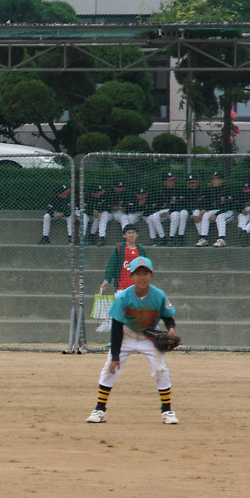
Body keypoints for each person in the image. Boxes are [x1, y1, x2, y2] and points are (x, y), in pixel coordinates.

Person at [87, 255, 179, 425]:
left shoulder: (159, 295)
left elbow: (168, 317)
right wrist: (115, 356)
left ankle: (167, 411)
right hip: (126, 335)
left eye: (145, 273)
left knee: (160, 369)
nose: (142, 277)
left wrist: (171, 328)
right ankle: (100, 409)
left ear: (151, 275)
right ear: (131, 276)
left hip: (149, 336)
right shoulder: (123, 297)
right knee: (109, 368)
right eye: (138, 273)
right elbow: (116, 327)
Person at [95, 223, 148, 333]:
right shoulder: (119, 248)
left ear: (137, 234)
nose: (131, 235)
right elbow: (112, 265)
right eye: (128, 233)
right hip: (122, 286)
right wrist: (106, 281)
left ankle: (135, 339)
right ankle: (116, 340)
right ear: (124, 235)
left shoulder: (141, 249)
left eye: (133, 233)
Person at [143, 172, 175, 246]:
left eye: (172, 180)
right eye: (169, 181)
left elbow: (180, 204)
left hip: (173, 211)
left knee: (175, 215)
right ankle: (160, 238)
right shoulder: (160, 192)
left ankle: (171, 238)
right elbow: (156, 207)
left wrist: (170, 211)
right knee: (152, 217)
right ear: (165, 183)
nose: (172, 182)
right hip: (163, 211)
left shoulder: (178, 190)